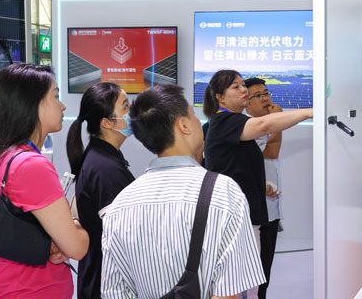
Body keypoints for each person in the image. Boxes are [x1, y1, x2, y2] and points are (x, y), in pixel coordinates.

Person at [101, 84, 266, 298]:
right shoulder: (225, 193)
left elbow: (115, 292)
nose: (199, 121)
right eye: (194, 115)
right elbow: (228, 292)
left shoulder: (119, 205)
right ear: (184, 126)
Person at [0, 63, 89, 298]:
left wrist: (56, 242)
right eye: (55, 96)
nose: (63, 105)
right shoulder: (31, 166)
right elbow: (77, 247)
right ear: (31, 104)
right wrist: (76, 228)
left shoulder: (7, 156)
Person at [202, 70, 312, 299]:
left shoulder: (232, 123)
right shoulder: (225, 121)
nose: (243, 90)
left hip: (245, 216)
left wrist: (261, 186)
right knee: (233, 287)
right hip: (234, 219)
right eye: (236, 87)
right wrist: (310, 112)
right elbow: (263, 125)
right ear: (220, 97)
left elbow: (236, 168)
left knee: (247, 285)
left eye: (243, 85)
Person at [66, 82, 135, 299]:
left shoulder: (103, 157)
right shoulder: (105, 169)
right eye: (125, 107)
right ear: (106, 122)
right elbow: (123, 233)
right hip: (106, 284)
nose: (132, 112)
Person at [244, 77, 283, 299]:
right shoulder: (248, 127)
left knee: (264, 269)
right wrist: (277, 121)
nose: (265, 98)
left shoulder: (267, 123)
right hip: (256, 209)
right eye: (257, 95)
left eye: (266, 93)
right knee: (255, 272)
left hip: (270, 208)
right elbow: (271, 152)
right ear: (246, 103)